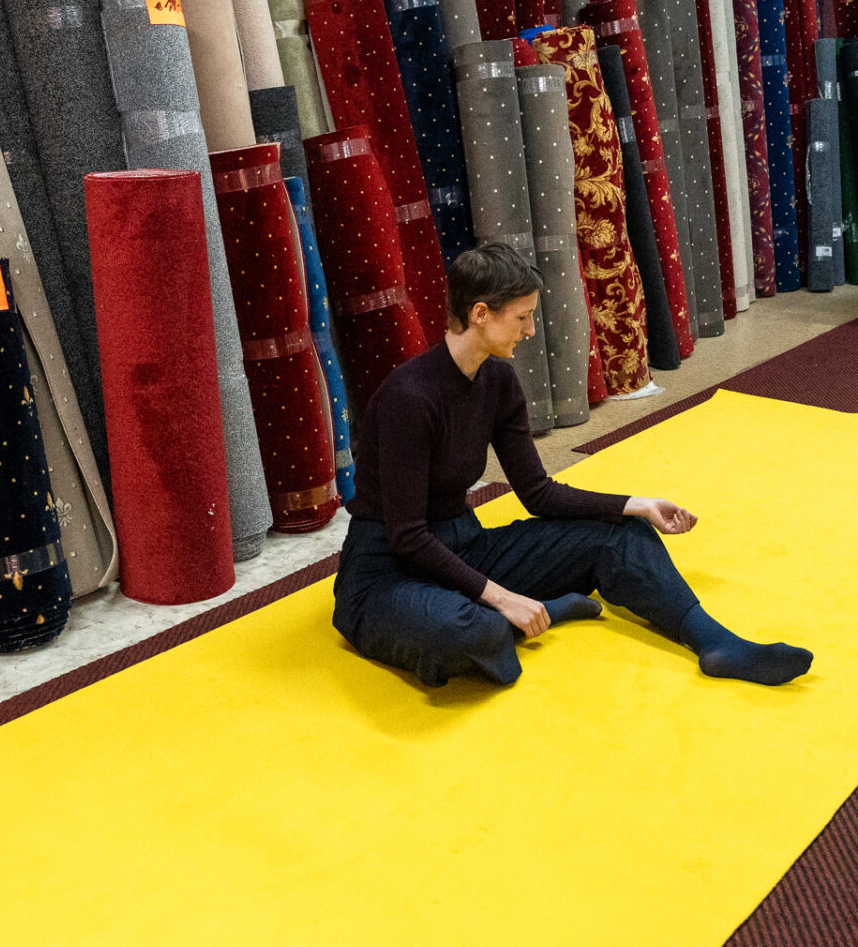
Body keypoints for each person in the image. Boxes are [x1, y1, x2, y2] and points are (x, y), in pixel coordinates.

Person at [333, 243, 813, 688]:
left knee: (619, 534)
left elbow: (537, 491)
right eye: (521, 317)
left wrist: (634, 505)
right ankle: (535, 612)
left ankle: (717, 644)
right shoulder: (409, 396)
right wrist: (501, 596)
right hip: (387, 571)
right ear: (480, 314)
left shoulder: (497, 381)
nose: (529, 330)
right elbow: (406, 535)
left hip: (464, 549)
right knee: (464, 631)